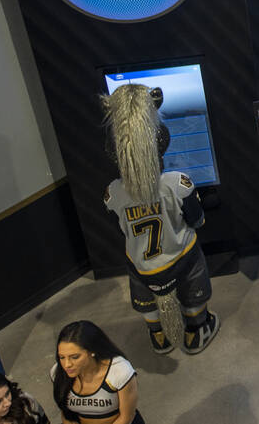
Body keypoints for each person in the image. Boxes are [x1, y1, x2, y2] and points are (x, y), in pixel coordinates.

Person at [100, 84, 219, 356]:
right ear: (158, 139)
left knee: (146, 298)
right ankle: (195, 332)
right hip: (181, 257)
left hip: (142, 264)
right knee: (193, 287)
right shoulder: (176, 183)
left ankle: (159, 337)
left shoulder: (113, 192)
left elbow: (120, 230)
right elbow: (197, 220)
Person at [51, 321, 143, 424]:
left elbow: (126, 418)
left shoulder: (119, 371)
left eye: (75, 357)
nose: (67, 364)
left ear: (92, 351)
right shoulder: (58, 373)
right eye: (62, 357)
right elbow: (66, 414)